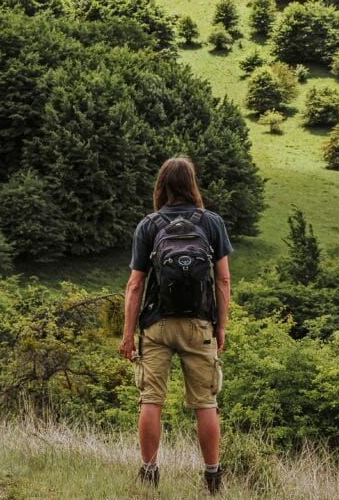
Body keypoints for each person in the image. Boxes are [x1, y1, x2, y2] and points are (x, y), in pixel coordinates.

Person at [120, 156, 233, 494]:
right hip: (199, 326)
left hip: (156, 326)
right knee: (205, 402)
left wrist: (128, 334)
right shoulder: (212, 223)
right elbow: (223, 280)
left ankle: (149, 473)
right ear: (192, 184)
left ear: (161, 185)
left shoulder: (149, 225)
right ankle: (212, 478)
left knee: (151, 399)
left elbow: (135, 285)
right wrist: (221, 325)